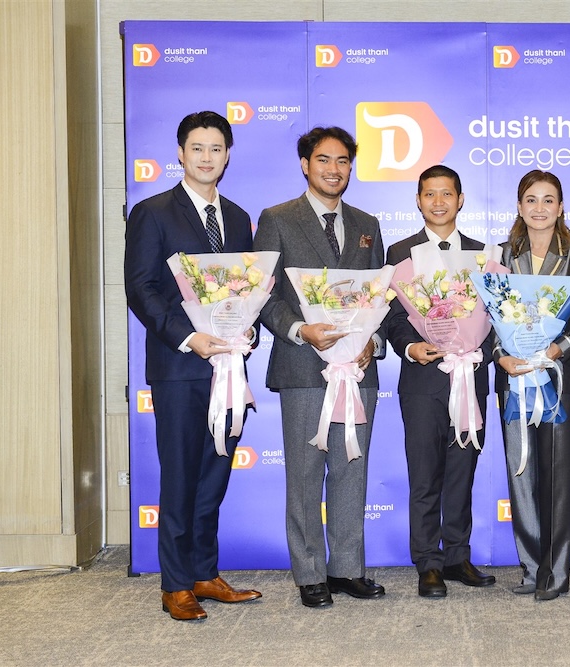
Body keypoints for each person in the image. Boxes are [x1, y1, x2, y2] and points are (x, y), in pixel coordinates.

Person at [125, 110, 262, 621]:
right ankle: (176, 583)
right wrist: (189, 337)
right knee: (181, 475)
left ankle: (204, 571)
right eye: (197, 148)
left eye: (216, 149)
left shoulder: (238, 218)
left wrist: (246, 330)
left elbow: (248, 292)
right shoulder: (153, 212)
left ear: (228, 156)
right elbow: (142, 287)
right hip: (180, 365)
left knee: (214, 474)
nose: (207, 157)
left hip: (229, 367)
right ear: (180, 153)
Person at [254, 126, 386, 608]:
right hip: (302, 366)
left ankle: (347, 568)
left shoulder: (367, 223)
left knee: (352, 469)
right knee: (306, 474)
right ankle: (309, 572)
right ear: (305, 165)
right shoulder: (277, 219)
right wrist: (299, 330)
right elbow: (262, 295)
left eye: (343, 161)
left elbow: (379, 295)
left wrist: (373, 341)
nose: (334, 169)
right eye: (324, 160)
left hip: (356, 369)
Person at [383, 165, 495, 598]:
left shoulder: (484, 255)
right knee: (425, 475)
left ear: (460, 199)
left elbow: (496, 316)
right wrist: (411, 346)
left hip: (470, 377)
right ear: (418, 200)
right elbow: (392, 316)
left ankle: (457, 557)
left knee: (462, 473)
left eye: (447, 193)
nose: (438, 202)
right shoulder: (401, 253)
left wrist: (478, 346)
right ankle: (428, 562)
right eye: (430, 194)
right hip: (422, 381)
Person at [493, 170, 570, 601]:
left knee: (556, 474)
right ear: (519, 206)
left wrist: (557, 350)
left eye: (548, 199)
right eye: (531, 200)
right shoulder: (501, 254)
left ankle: (556, 572)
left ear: (561, 206)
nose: (540, 208)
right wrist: (501, 355)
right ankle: (531, 568)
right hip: (514, 375)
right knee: (521, 471)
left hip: (557, 375)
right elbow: (489, 315)